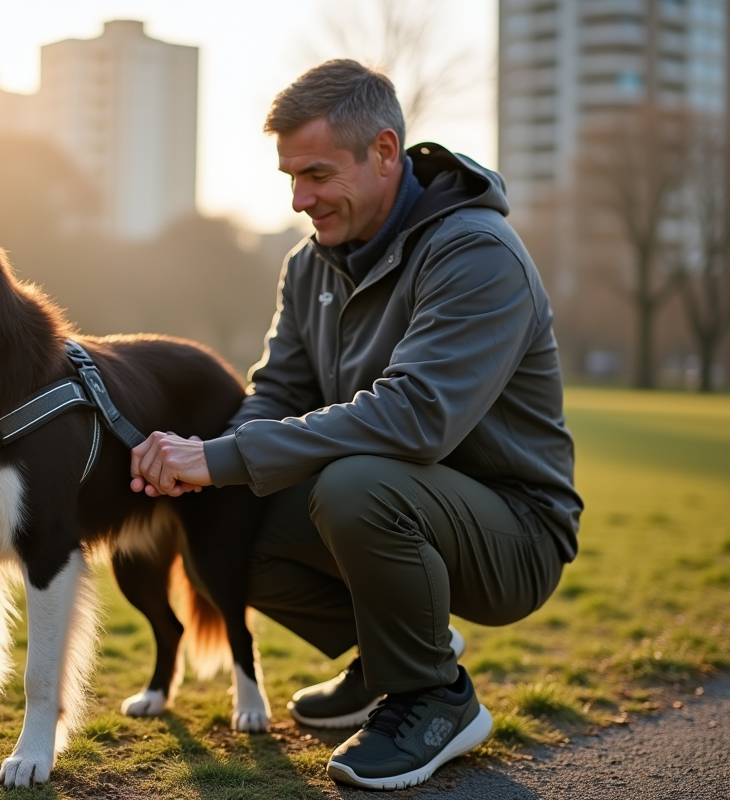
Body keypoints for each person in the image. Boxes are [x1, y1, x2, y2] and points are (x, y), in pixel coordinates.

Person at [129, 59, 582, 791]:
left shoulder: (476, 253)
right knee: (227, 520)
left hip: (516, 532)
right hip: (405, 510)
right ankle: (394, 653)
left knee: (353, 485)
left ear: (384, 152)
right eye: (290, 180)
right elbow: (276, 390)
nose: (301, 199)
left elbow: (416, 418)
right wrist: (208, 466)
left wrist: (224, 454)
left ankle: (435, 697)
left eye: (317, 174)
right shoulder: (310, 266)